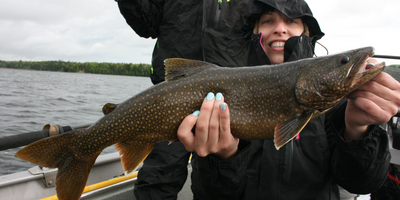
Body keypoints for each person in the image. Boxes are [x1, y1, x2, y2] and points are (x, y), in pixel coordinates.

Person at [177, 0, 400, 199]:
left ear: (307, 33)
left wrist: (359, 129)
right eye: (267, 21)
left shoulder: (341, 105)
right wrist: (223, 157)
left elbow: (360, 184)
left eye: (291, 20)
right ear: (253, 32)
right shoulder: (222, 89)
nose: (280, 29)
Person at [116, 0, 254, 199]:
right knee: (157, 180)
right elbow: (147, 24)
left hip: (233, 102)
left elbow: (268, 28)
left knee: (219, 184)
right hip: (170, 100)